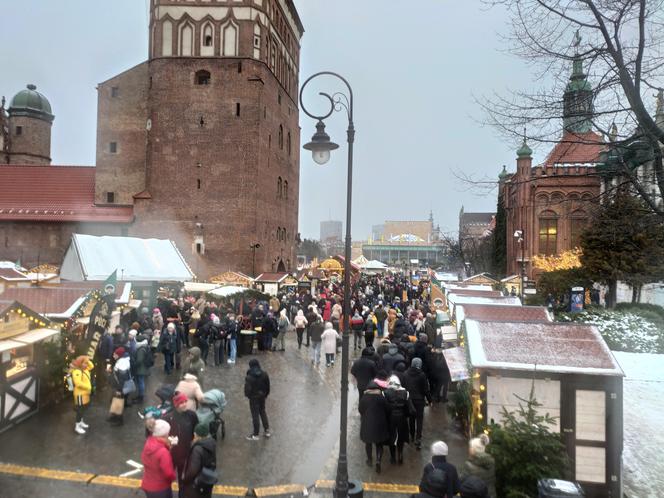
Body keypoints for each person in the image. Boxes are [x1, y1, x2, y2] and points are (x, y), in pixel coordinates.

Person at [164, 393, 198, 493]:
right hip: (171, 454)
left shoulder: (192, 415)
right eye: (181, 403)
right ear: (176, 405)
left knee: (183, 479)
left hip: (185, 453)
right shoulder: (168, 418)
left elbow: (195, 429)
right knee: (167, 477)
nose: (184, 404)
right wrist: (169, 440)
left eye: (185, 402)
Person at [358, 380, 390, 474]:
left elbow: (360, 410)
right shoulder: (381, 397)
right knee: (379, 444)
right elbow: (388, 409)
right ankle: (378, 461)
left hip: (367, 424)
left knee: (368, 443)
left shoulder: (364, 398)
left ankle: (369, 460)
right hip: (380, 424)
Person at [141, 419, 177, 498]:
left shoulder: (149, 442)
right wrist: (174, 477)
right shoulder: (163, 452)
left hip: (148, 485)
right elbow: (169, 473)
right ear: (165, 434)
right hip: (161, 488)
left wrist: (168, 446)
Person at [181, 423, 217, 498]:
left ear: (197, 435)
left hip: (196, 486)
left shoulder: (197, 449)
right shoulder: (211, 443)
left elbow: (193, 470)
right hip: (206, 482)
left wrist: (185, 479)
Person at [384, 375, 414, 465]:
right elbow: (411, 408)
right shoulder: (405, 393)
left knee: (391, 438)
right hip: (402, 419)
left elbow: (385, 407)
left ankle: (393, 458)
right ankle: (400, 455)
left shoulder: (385, 393)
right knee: (401, 438)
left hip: (391, 419)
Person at [402, 358, 430, 449]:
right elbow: (426, 389)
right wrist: (430, 400)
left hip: (409, 400)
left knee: (411, 418)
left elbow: (403, 387)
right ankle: (418, 438)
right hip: (419, 400)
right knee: (419, 419)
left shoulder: (405, 374)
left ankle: (412, 436)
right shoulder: (422, 375)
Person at [244, 358, 271, 440]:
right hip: (262, 397)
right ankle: (267, 431)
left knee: (255, 415)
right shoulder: (265, 374)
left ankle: (255, 434)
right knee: (262, 412)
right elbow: (268, 387)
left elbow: (247, 390)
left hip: (253, 399)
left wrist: (249, 396)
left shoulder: (249, 377)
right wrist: (265, 395)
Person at [70, 355, 94, 434]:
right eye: (85, 363)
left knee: (83, 408)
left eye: (87, 363)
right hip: (80, 394)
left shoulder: (85, 369)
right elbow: (78, 383)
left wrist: (87, 360)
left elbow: (92, 366)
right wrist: (88, 387)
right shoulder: (77, 371)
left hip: (85, 393)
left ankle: (81, 422)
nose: (87, 365)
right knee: (80, 410)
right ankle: (77, 426)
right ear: (80, 363)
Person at [134, 334, 153, 403]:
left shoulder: (141, 349)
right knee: (141, 382)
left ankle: (140, 397)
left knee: (141, 382)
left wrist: (134, 365)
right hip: (144, 368)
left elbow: (139, 360)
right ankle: (140, 396)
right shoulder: (145, 346)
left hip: (141, 369)